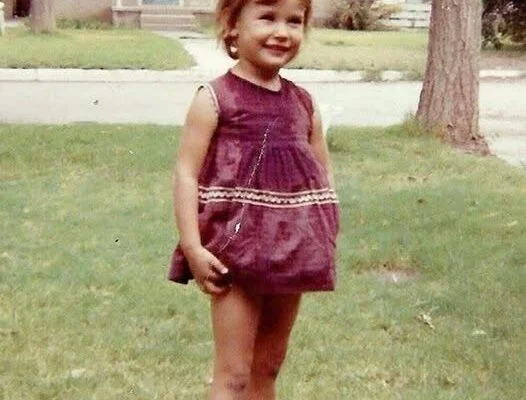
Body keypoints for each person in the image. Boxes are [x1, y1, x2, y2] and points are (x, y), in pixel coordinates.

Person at [168, 0, 339, 398]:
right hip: (236, 256)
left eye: (294, 21)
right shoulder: (215, 98)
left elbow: (323, 173)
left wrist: (326, 230)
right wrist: (193, 247)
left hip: (291, 251)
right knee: (234, 375)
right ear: (232, 26)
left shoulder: (304, 104)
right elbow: (186, 174)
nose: (282, 32)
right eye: (267, 18)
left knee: (269, 365)